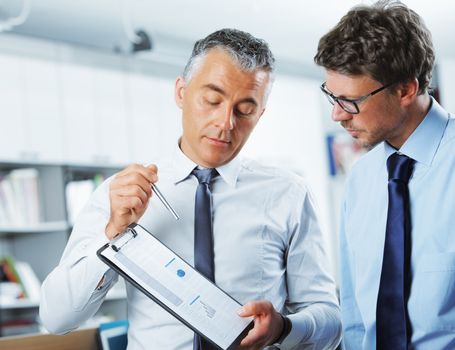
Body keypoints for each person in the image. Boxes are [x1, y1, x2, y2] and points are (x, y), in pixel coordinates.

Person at [40, 28, 341, 349]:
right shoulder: (122, 193)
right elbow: (56, 318)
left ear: (261, 114)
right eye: (212, 100)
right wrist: (112, 234)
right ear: (181, 93)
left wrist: (283, 328)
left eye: (245, 110)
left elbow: (331, 321)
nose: (226, 122)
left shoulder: (288, 193)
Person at [314, 1, 455, 349]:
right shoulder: (360, 180)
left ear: (406, 89)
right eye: (331, 96)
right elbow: (356, 319)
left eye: (349, 100)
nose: (336, 115)